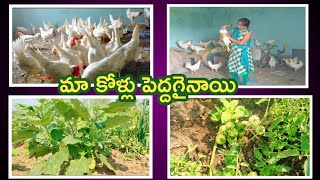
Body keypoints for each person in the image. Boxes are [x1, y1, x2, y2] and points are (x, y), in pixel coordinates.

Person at [223, 18, 254, 85]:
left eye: (241, 25)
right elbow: (230, 40)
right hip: (234, 51)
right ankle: (236, 82)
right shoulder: (234, 30)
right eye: (238, 24)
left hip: (242, 52)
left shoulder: (248, 32)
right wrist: (224, 32)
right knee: (232, 68)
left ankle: (244, 84)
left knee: (243, 69)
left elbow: (241, 43)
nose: (238, 26)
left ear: (245, 26)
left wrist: (229, 37)